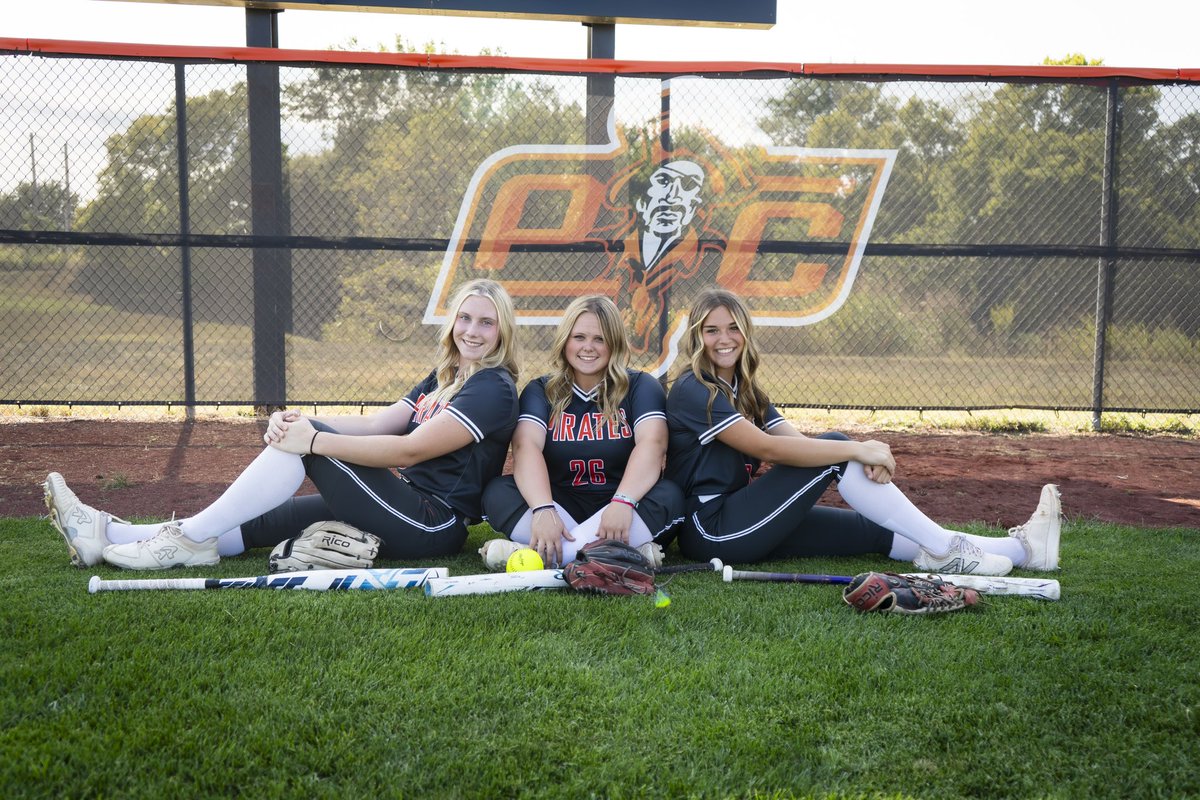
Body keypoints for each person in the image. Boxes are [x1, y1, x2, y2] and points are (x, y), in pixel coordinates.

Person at [45, 278, 521, 570]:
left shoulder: (493, 387)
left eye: (486, 323)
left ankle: (185, 542)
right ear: (452, 322)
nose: (472, 332)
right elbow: (382, 422)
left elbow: (408, 450)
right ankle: (104, 532)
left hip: (433, 523)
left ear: (502, 332)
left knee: (308, 446)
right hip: (401, 502)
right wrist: (301, 419)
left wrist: (311, 438)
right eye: (465, 319)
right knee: (258, 522)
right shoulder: (447, 375)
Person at [662, 286, 1061, 576]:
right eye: (711, 330)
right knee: (837, 446)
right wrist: (856, 450)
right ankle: (944, 549)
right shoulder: (692, 390)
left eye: (733, 328)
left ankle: (1025, 551)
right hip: (711, 529)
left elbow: (797, 445)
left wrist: (853, 456)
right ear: (697, 336)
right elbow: (772, 450)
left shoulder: (746, 390)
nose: (724, 339)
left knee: (874, 529)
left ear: (746, 332)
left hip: (747, 512)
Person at [479, 294, 684, 570]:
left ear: (615, 343)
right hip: (559, 506)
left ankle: (544, 556)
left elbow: (653, 443)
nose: (588, 347)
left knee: (670, 494)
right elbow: (526, 446)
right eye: (579, 337)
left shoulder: (640, 385)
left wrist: (623, 502)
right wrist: (542, 509)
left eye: (600, 339)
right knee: (497, 491)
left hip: (623, 506)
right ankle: (621, 555)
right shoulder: (542, 389)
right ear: (565, 341)